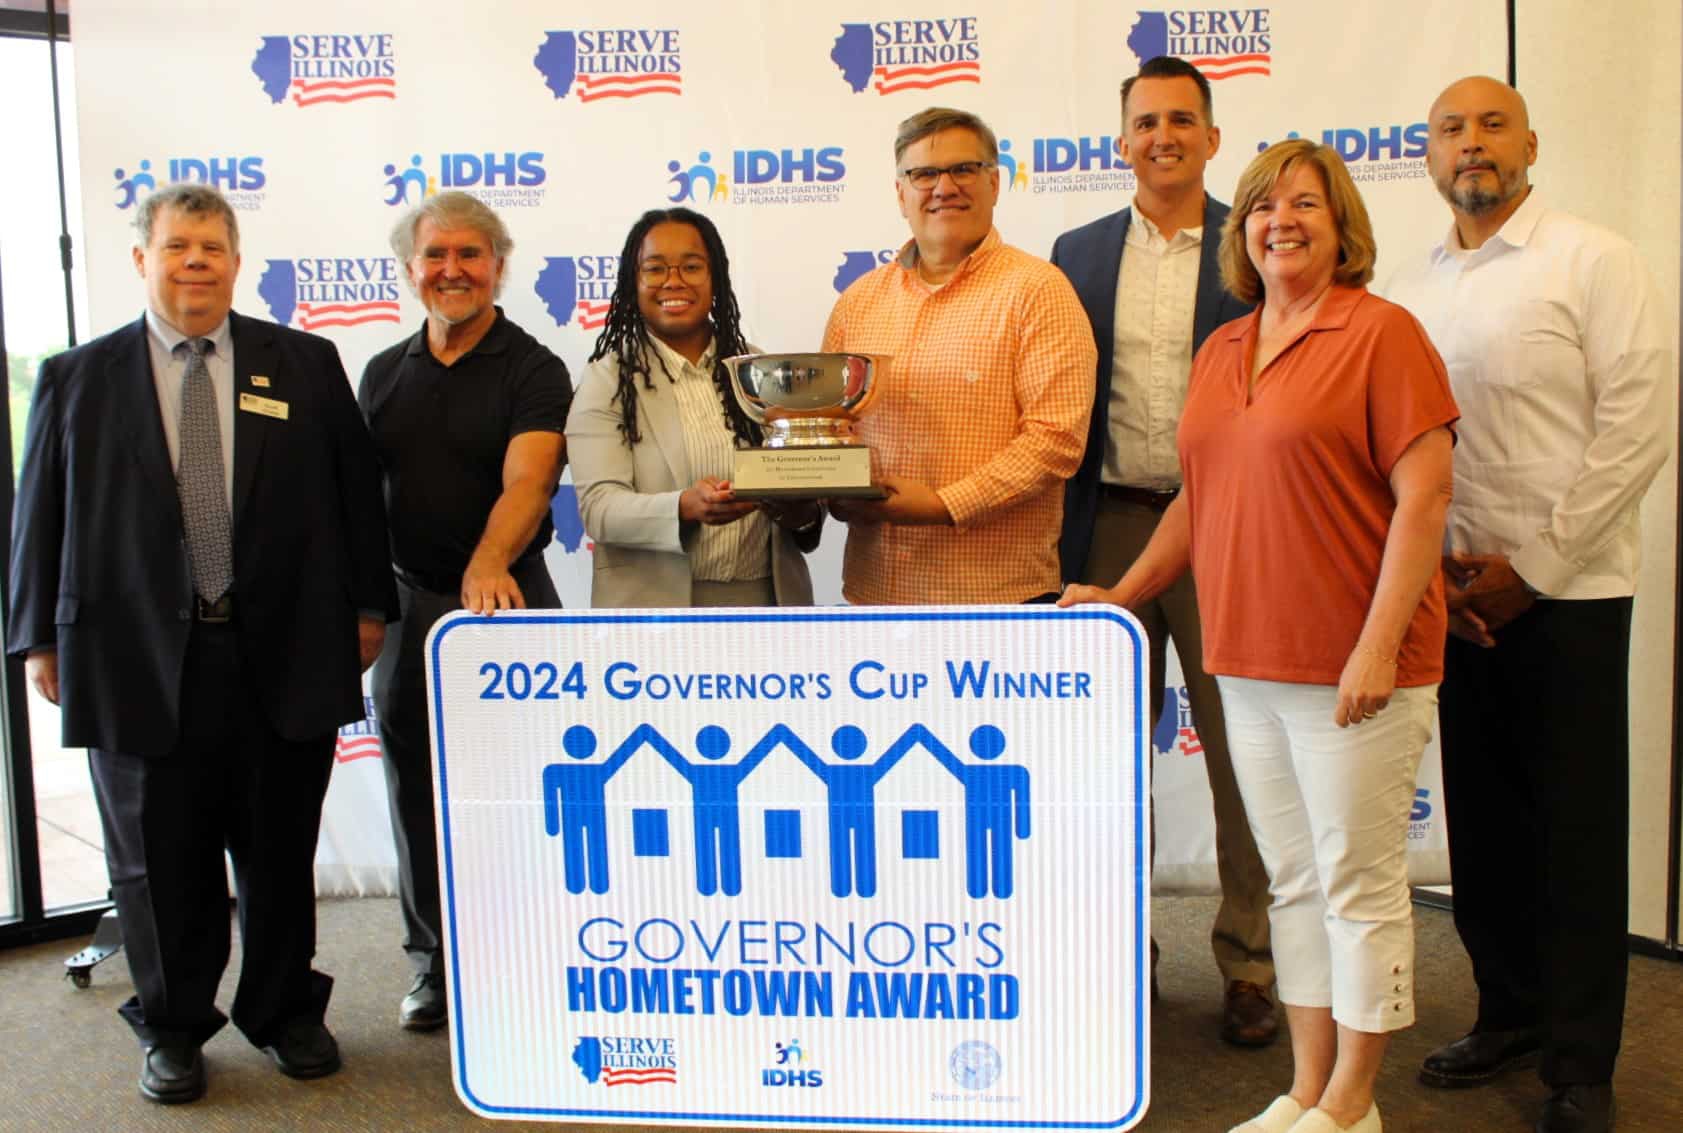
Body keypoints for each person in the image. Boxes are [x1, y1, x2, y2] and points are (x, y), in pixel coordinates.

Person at [1062, 139, 1458, 1133]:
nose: (1282, 220)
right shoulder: (1225, 347)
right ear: (1241, 231)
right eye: (1262, 206)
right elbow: (1202, 497)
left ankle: (1357, 1100)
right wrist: (1124, 590)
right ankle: (1307, 1086)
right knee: (1294, 881)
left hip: (1354, 666)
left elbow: (1426, 496)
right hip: (1246, 658)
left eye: (1305, 204)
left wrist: (1378, 641)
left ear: (1343, 224)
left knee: (1358, 885)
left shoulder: (1383, 332)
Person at [6, 182, 396, 1103]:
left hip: (283, 649)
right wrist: (34, 638)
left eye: (212, 247)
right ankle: (174, 1024)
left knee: (278, 848)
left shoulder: (302, 363)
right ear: (142, 259)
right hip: (133, 655)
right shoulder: (77, 377)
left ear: (235, 261)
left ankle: (285, 1010)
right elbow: (39, 516)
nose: (194, 262)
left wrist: (368, 608)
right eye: (177, 246)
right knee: (157, 859)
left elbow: (353, 499)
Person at [1388, 77, 1671, 1133]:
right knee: (1491, 827)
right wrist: (1438, 578)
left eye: (1491, 125)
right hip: (1456, 602)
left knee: (1579, 833)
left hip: (1572, 594)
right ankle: (1508, 1012)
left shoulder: (1592, 259)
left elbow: (1636, 427)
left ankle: (1582, 1061)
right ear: (1427, 153)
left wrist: (1539, 563)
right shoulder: (1417, 287)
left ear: (1531, 144)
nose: (1472, 145)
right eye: (1452, 129)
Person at [1050, 54, 1274, 1045]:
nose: (1163, 137)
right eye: (1145, 122)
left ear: (1214, 138)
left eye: (1182, 120)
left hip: (1231, 525)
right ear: (1122, 139)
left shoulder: (1258, 239)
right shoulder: (1077, 251)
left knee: (1240, 752)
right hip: (1107, 523)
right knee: (1104, 760)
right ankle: (1118, 952)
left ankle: (1252, 962)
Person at [359, 191, 570, 1030]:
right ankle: (434, 965)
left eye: (471, 254)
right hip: (409, 607)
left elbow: (530, 481)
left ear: (498, 266)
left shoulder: (534, 367)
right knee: (416, 791)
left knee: (526, 789)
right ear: (411, 270)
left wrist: (487, 562)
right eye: (436, 255)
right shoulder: (381, 372)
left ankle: (530, 952)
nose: (454, 269)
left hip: (509, 604)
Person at [822, 106, 1095, 604]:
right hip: (876, 593)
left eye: (964, 169)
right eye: (924, 173)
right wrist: (826, 485)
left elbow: (1055, 441)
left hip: (995, 597)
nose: (944, 187)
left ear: (994, 183)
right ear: (900, 193)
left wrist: (945, 505)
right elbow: (830, 427)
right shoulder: (857, 302)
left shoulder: (1038, 290)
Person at [566, 207, 820, 607]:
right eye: (655, 269)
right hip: (654, 616)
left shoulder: (760, 371)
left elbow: (803, 499)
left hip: (767, 608)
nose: (673, 281)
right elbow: (599, 508)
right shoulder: (607, 380)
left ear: (714, 277)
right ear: (633, 283)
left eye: (691, 266)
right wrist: (683, 507)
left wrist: (800, 507)